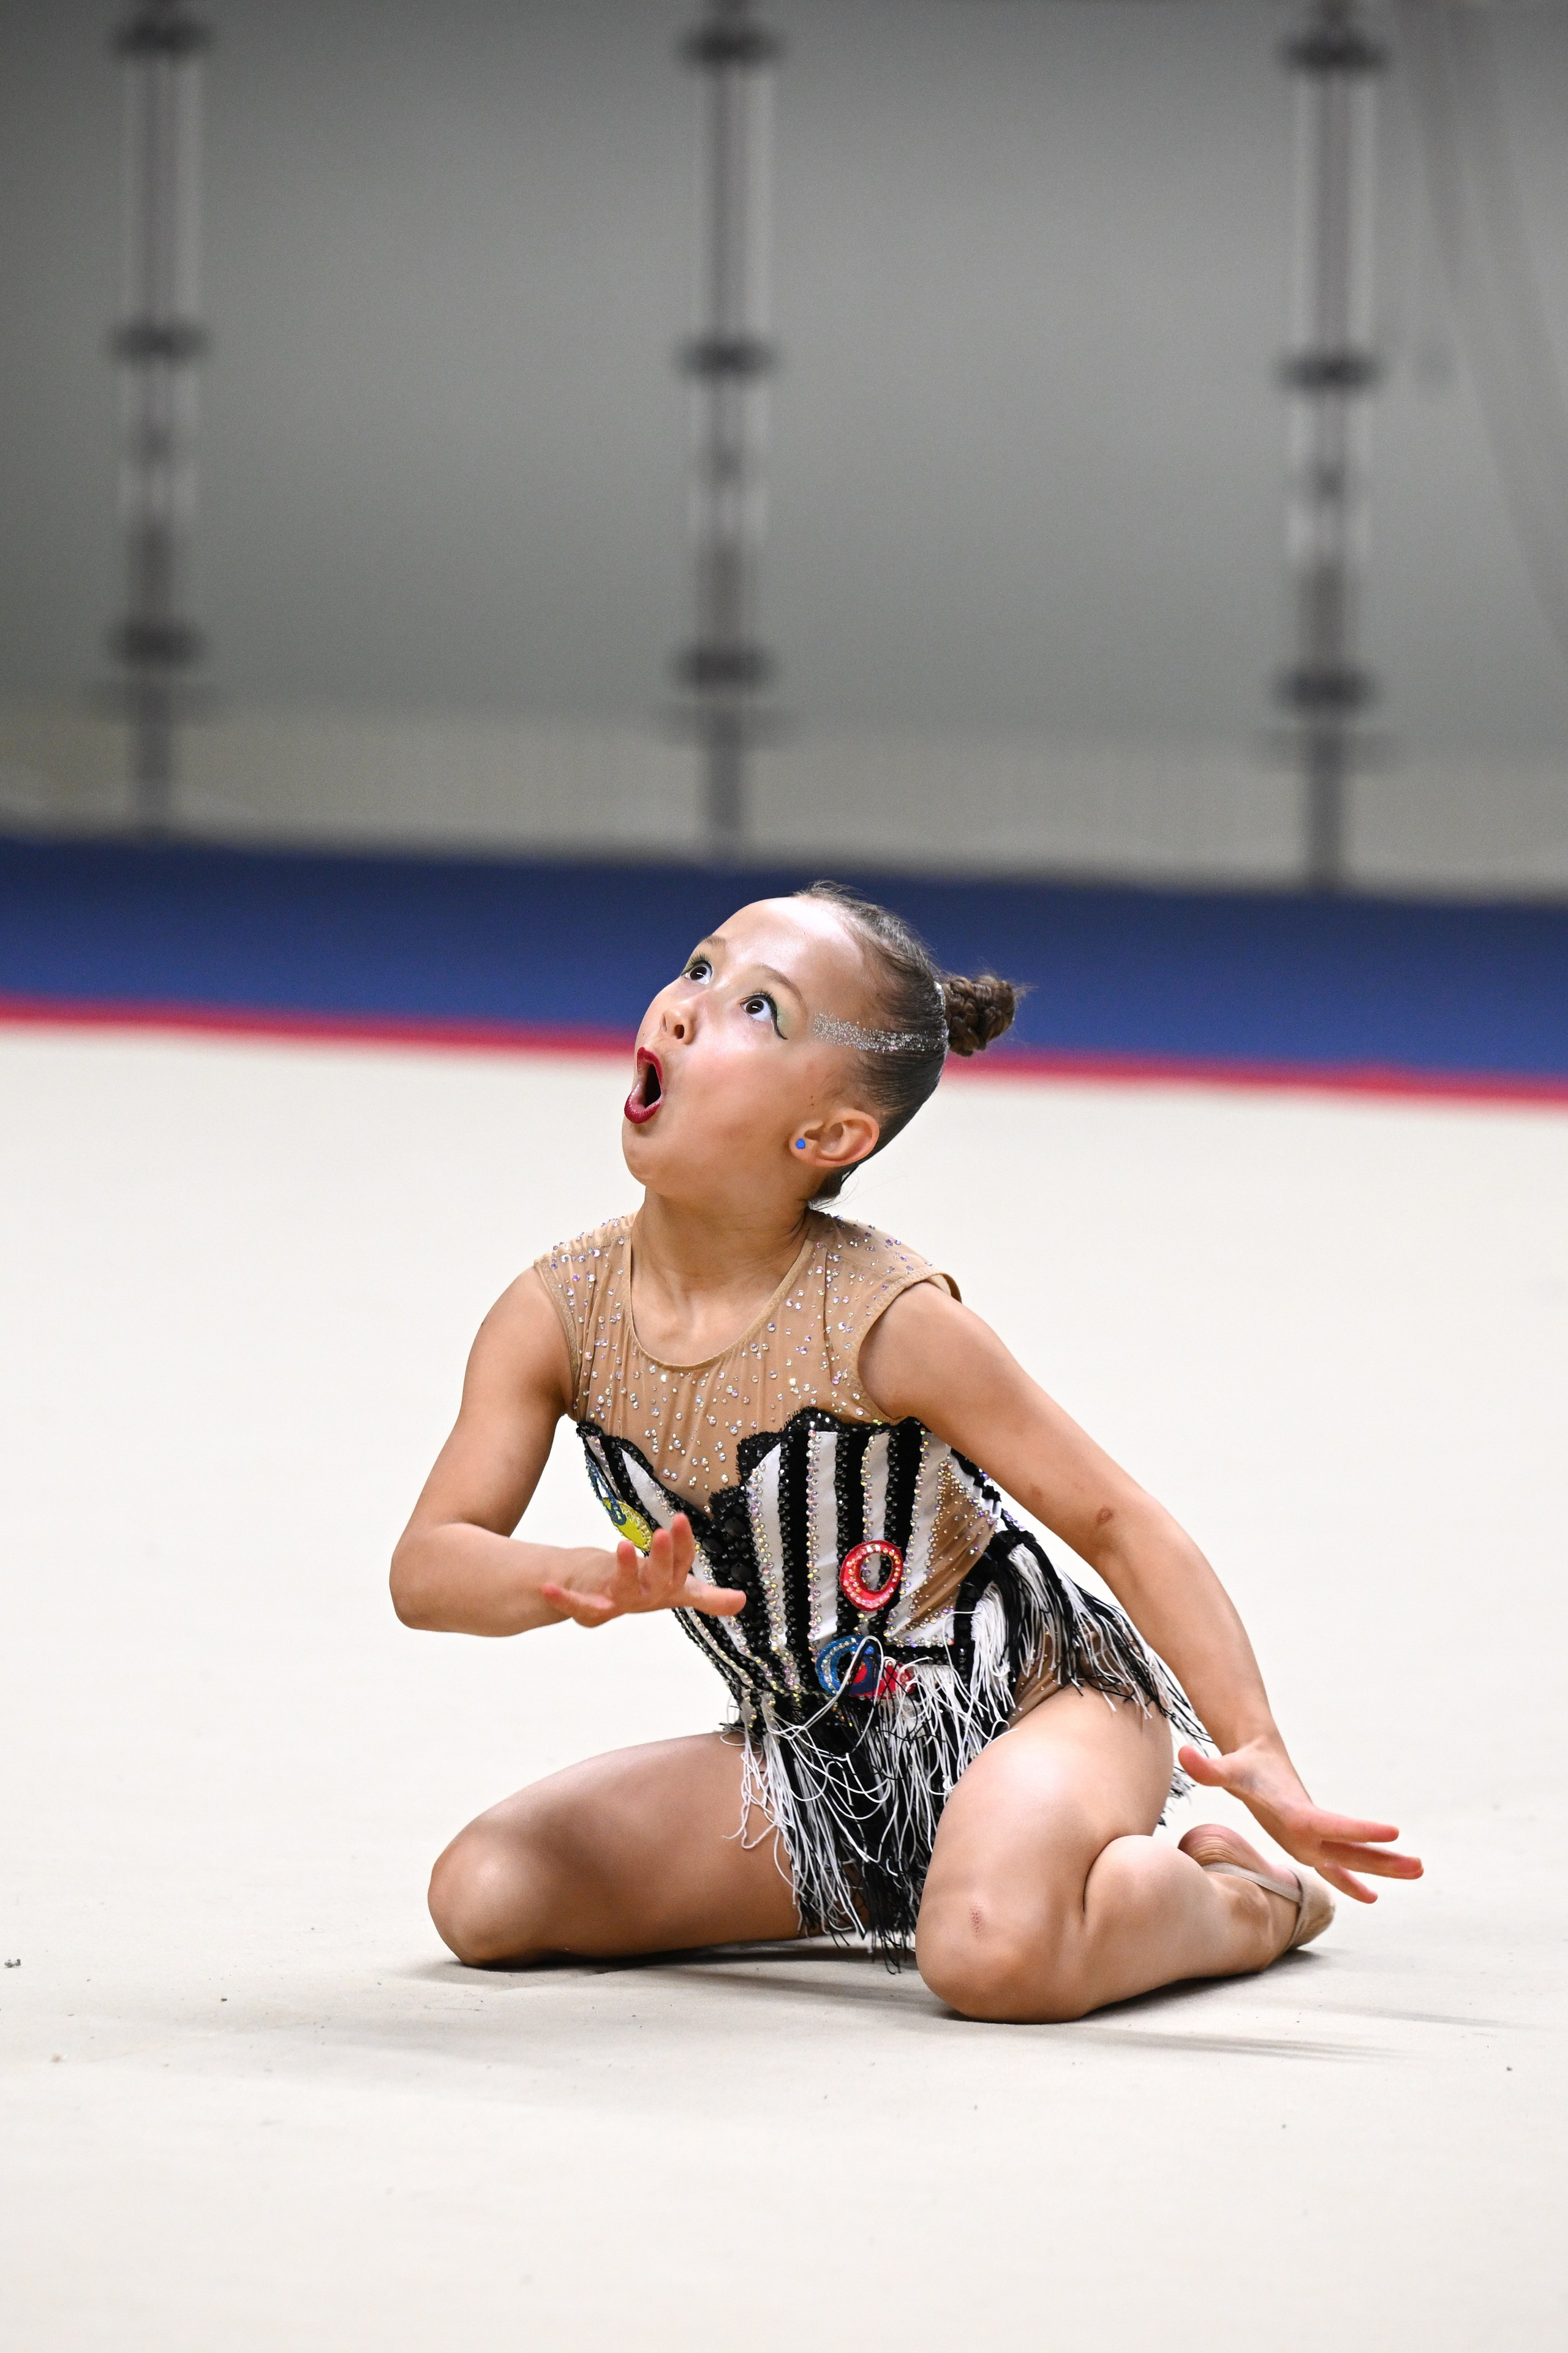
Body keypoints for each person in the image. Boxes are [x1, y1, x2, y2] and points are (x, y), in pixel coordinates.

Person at [390, 882, 1420, 2022]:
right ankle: (948, 1872)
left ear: (830, 1135)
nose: (684, 1009)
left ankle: (1243, 1894)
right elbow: (428, 1567)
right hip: (819, 1762)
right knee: (486, 1894)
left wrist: (1258, 1744)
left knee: (990, 1961)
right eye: (697, 969)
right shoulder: (558, 1312)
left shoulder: (884, 1315)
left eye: (757, 1010)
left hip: (1040, 1710)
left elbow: (1120, 1522)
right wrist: (581, 1578)